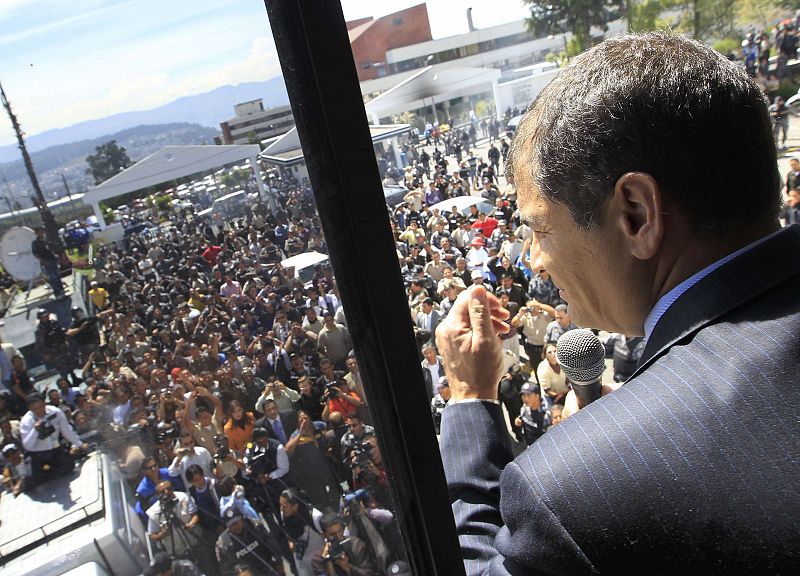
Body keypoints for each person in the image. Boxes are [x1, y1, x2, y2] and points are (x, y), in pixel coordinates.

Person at [436, 32, 800, 574]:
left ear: (636, 214)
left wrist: (469, 401)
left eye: (540, 228)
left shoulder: (579, 489)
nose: (534, 259)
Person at [19, 393, 88, 486]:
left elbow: (66, 431)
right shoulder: (26, 422)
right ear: (30, 409)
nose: (39, 411)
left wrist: (79, 444)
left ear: (44, 403)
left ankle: (50, 475)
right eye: (35, 409)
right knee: (32, 478)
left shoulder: (56, 412)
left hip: (54, 449)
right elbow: (27, 445)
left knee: (69, 465)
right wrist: (35, 431)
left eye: (40, 407)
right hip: (36, 454)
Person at [31, 226, 65, 298]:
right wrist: (43, 261)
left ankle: (61, 290)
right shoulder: (35, 243)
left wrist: (56, 256)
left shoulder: (46, 240)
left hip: (52, 259)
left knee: (57, 275)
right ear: (37, 233)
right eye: (40, 231)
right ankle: (57, 292)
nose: (42, 233)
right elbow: (35, 254)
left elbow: (52, 249)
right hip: (46, 262)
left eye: (42, 231)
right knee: (52, 277)